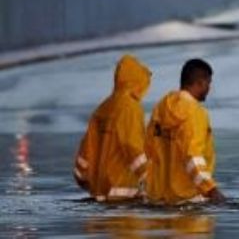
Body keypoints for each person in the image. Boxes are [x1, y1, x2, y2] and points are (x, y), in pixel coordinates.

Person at [145, 58, 225, 204]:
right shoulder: (195, 113)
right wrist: (211, 190)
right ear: (200, 82)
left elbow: (148, 148)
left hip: (157, 198)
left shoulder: (161, 107)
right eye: (208, 83)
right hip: (188, 198)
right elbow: (193, 156)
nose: (209, 88)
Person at [73, 54, 151, 202]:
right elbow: (132, 147)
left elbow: (86, 147)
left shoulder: (103, 108)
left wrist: (81, 175)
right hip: (124, 198)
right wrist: (152, 179)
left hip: (98, 193)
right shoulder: (131, 108)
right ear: (139, 82)